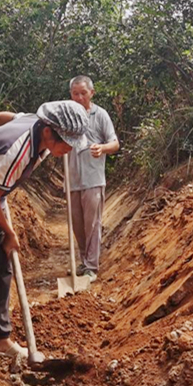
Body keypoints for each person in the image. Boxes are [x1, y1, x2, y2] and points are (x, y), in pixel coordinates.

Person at [0, 101, 90, 386]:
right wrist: (9, 232)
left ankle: (0, 338)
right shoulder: (19, 151)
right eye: (68, 143)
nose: (70, 150)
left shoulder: (33, 123)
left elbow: (1, 117)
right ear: (49, 133)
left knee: (2, 263)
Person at [66, 75, 119, 280]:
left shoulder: (101, 115)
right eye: (75, 94)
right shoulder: (67, 116)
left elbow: (114, 144)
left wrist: (102, 148)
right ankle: (83, 261)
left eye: (83, 93)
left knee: (93, 224)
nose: (79, 98)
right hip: (72, 180)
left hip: (93, 179)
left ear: (92, 93)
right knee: (78, 226)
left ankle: (91, 266)